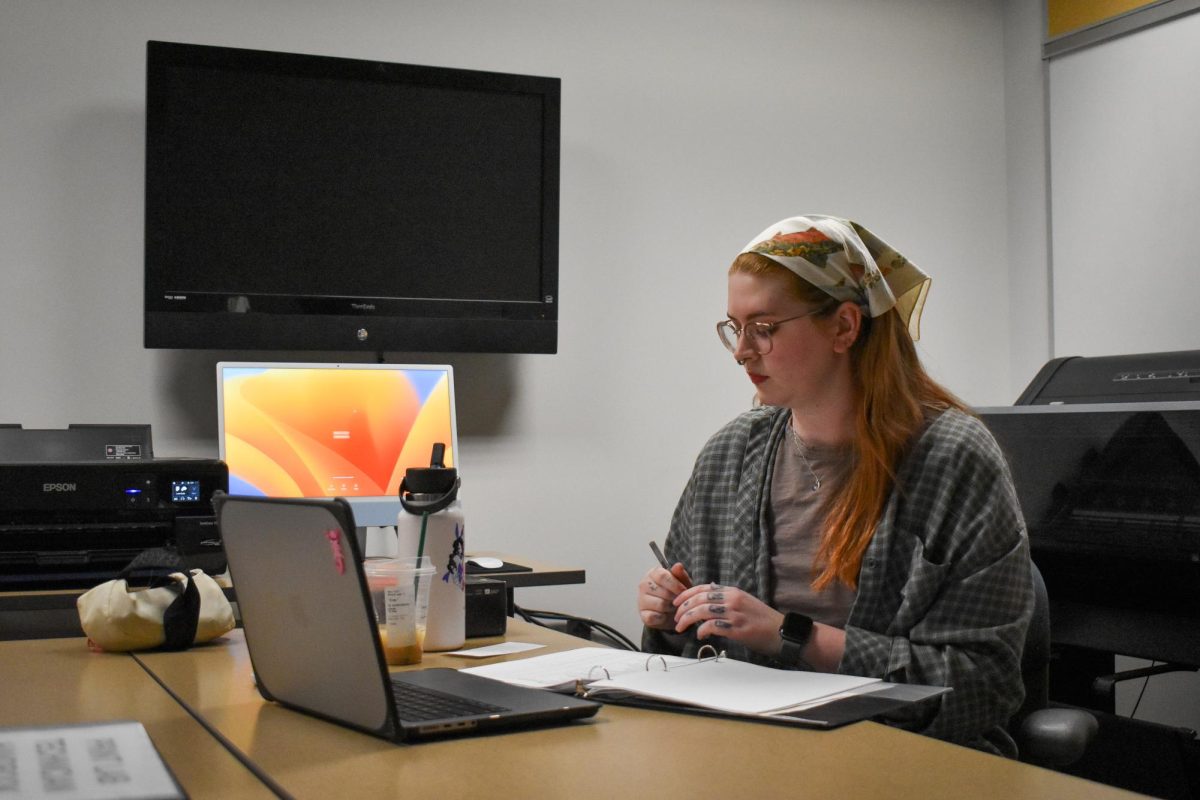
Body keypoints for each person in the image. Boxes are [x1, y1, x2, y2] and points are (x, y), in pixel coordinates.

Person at [637, 215, 1034, 756]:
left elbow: (982, 687)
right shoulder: (731, 453)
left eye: (765, 328)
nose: (742, 351)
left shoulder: (952, 458)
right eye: (734, 327)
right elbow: (692, 652)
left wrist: (790, 635)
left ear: (845, 327)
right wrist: (670, 614)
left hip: (903, 758)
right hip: (752, 751)